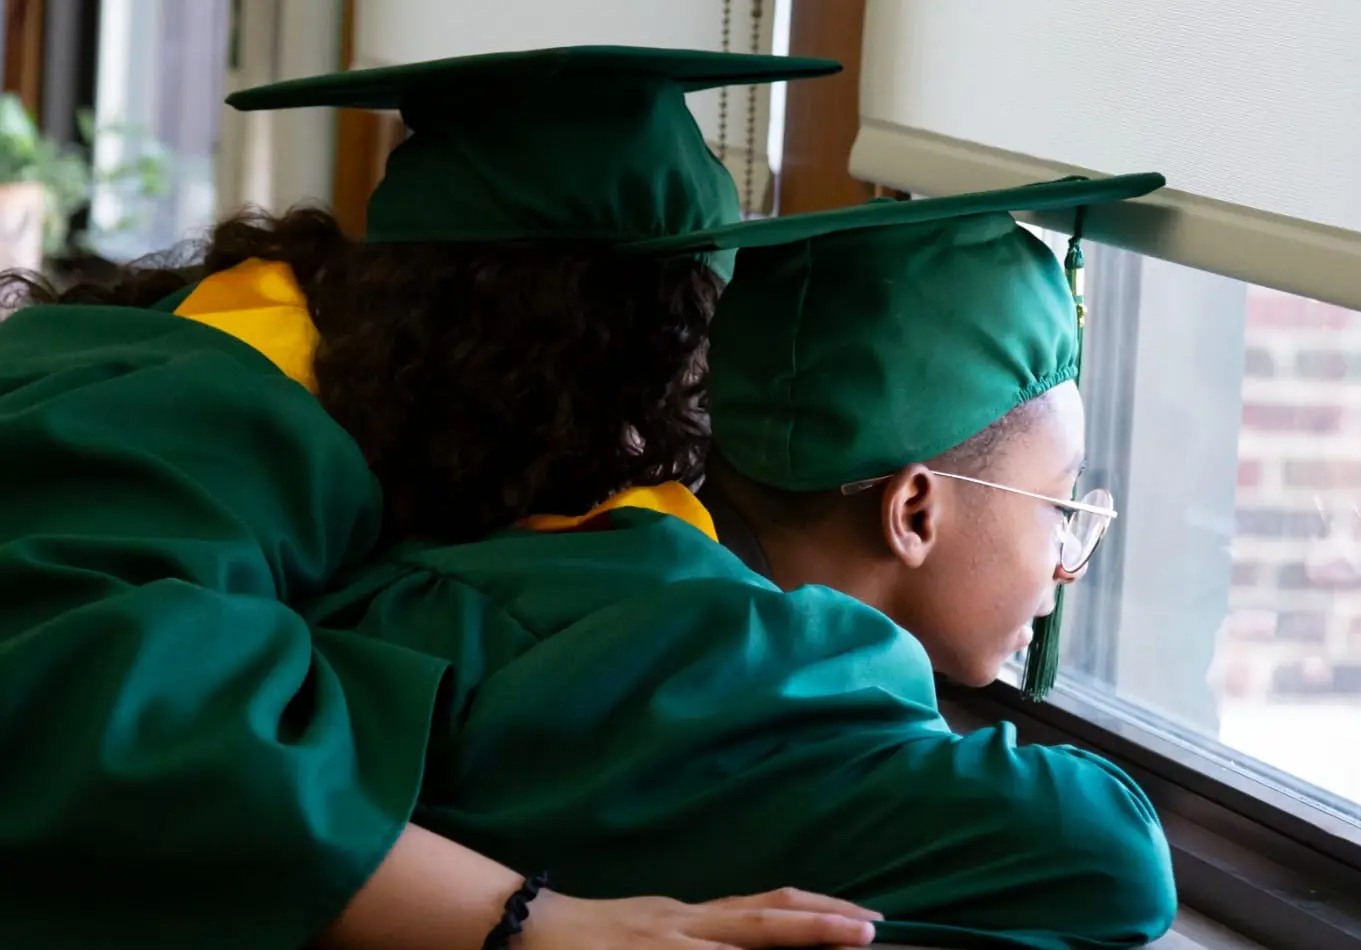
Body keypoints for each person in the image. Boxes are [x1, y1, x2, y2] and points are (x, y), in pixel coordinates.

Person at [0, 47, 874, 950]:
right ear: (555, 364)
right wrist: (524, 922)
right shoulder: (226, 405)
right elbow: (101, 697)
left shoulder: (271, 337)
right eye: (663, 381)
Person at [295, 175, 1178, 949]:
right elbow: (1113, 855)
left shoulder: (534, 560)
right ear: (913, 511)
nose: (1068, 562)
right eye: (1062, 509)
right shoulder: (757, 684)